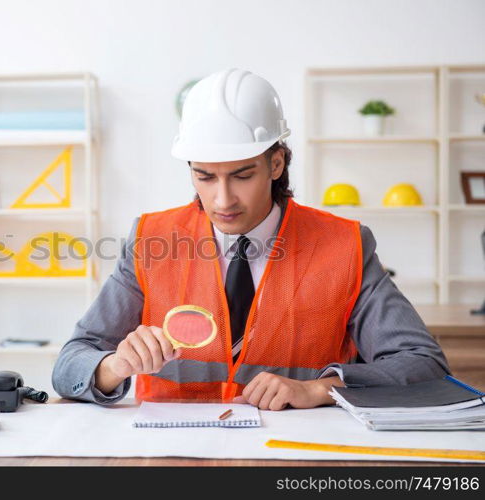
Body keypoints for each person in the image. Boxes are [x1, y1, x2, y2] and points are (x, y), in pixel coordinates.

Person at [52, 68, 449, 410]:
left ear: (276, 164)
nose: (223, 200)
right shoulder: (150, 241)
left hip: (298, 456)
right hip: (170, 456)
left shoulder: (346, 245)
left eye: (242, 175)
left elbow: (424, 365)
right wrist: (115, 366)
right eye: (205, 176)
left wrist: (322, 389)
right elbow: (70, 363)